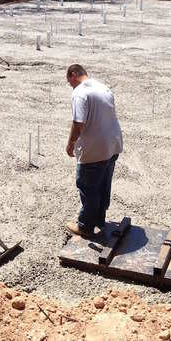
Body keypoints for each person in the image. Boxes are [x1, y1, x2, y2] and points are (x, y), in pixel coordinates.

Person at [64, 64, 123, 238]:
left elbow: (78, 123)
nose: (70, 86)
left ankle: (85, 226)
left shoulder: (80, 92)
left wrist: (71, 143)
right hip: (112, 144)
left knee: (88, 187)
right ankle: (99, 220)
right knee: (103, 185)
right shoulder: (103, 87)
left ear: (74, 74)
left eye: (69, 81)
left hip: (94, 149)